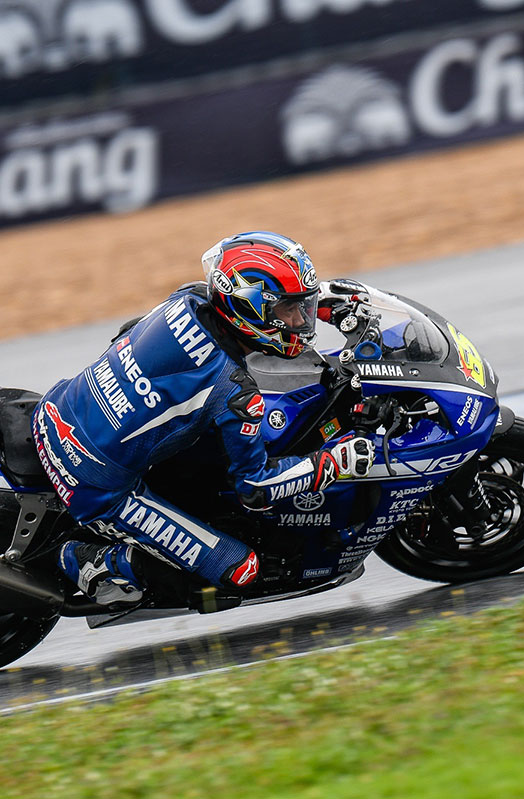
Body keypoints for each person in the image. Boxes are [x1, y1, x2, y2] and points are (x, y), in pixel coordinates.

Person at [34, 231, 373, 607]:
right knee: (238, 571)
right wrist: (332, 463)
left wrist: (324, 306)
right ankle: (85, 560)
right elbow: (255, 488)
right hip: (95, 482)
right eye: (288, 310)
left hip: (56, 409)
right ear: (250, 309)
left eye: (304, 307)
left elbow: (127, 331)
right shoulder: (234, 390)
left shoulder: (188, 298)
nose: (299, 321)